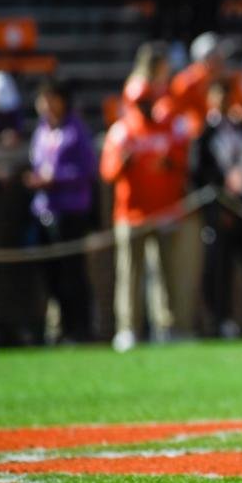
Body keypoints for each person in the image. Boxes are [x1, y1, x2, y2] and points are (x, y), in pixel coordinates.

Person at [101, 74, 189, 353]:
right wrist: (122, 164)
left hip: (163, 210)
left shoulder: (168, 127)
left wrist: (170, 163)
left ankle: (167, 327)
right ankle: (128, 328)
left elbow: (181, 163)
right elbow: (108, 172)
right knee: (130, 273)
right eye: (140, 103)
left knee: (166, 273)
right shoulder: (122, 131)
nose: (145, 107)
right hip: (131, 214)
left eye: (148, 101)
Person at [192, 81, 242, 341]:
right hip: (222, 208)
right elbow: (200, 175)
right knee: (220, 267)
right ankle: (222, 319)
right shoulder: (204, 134)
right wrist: (217, 208)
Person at [25, 78, 96, 343]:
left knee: (73, 273)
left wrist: (54, 179)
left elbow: (86, 170)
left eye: (49, 98)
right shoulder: (42, 131)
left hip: (71, 210)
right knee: (51, 274)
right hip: (44, 210)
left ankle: (80, 328)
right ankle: (60, 328)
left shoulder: (75, 131)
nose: (44, 104)